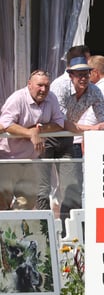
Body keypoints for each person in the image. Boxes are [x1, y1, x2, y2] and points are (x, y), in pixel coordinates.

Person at [38, 56, 104, 222]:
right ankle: (43, 231)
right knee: (42, 187)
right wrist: (91, 129)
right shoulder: (60, 87)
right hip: (47, 137)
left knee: (73, 186)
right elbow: (60, 122)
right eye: (79, 74)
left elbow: (103, 120)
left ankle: (69, 230)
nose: (83, 78)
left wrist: (102, 128)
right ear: (70, 75)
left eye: (86, 74)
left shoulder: (94, 91)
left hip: (68, 139)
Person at [0, 70, 65, 210]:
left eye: (47, 86)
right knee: (2, 204)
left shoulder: (51, 97)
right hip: (8, 160)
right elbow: (5, 124)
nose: (44, 89)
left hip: (31, 161)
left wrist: (39, 129)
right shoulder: (17, 98)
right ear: (29, 85)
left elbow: (59, 124)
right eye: (40, 85)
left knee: (26, 204)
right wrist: (29, 133)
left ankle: (16, 230)